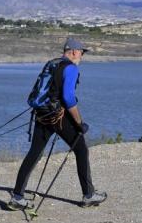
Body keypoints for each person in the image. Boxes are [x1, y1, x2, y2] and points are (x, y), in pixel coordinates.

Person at [9, 37, 107, 210]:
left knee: (34, 153)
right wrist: (79, 123)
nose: (81, 57)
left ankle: (17, 197)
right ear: (75, 52)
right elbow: (68, 98)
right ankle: (88, 195)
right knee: (81, 150)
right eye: (82, 53)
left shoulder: (52, 63)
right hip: (58, 116)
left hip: (42, 114)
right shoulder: (70, 68)